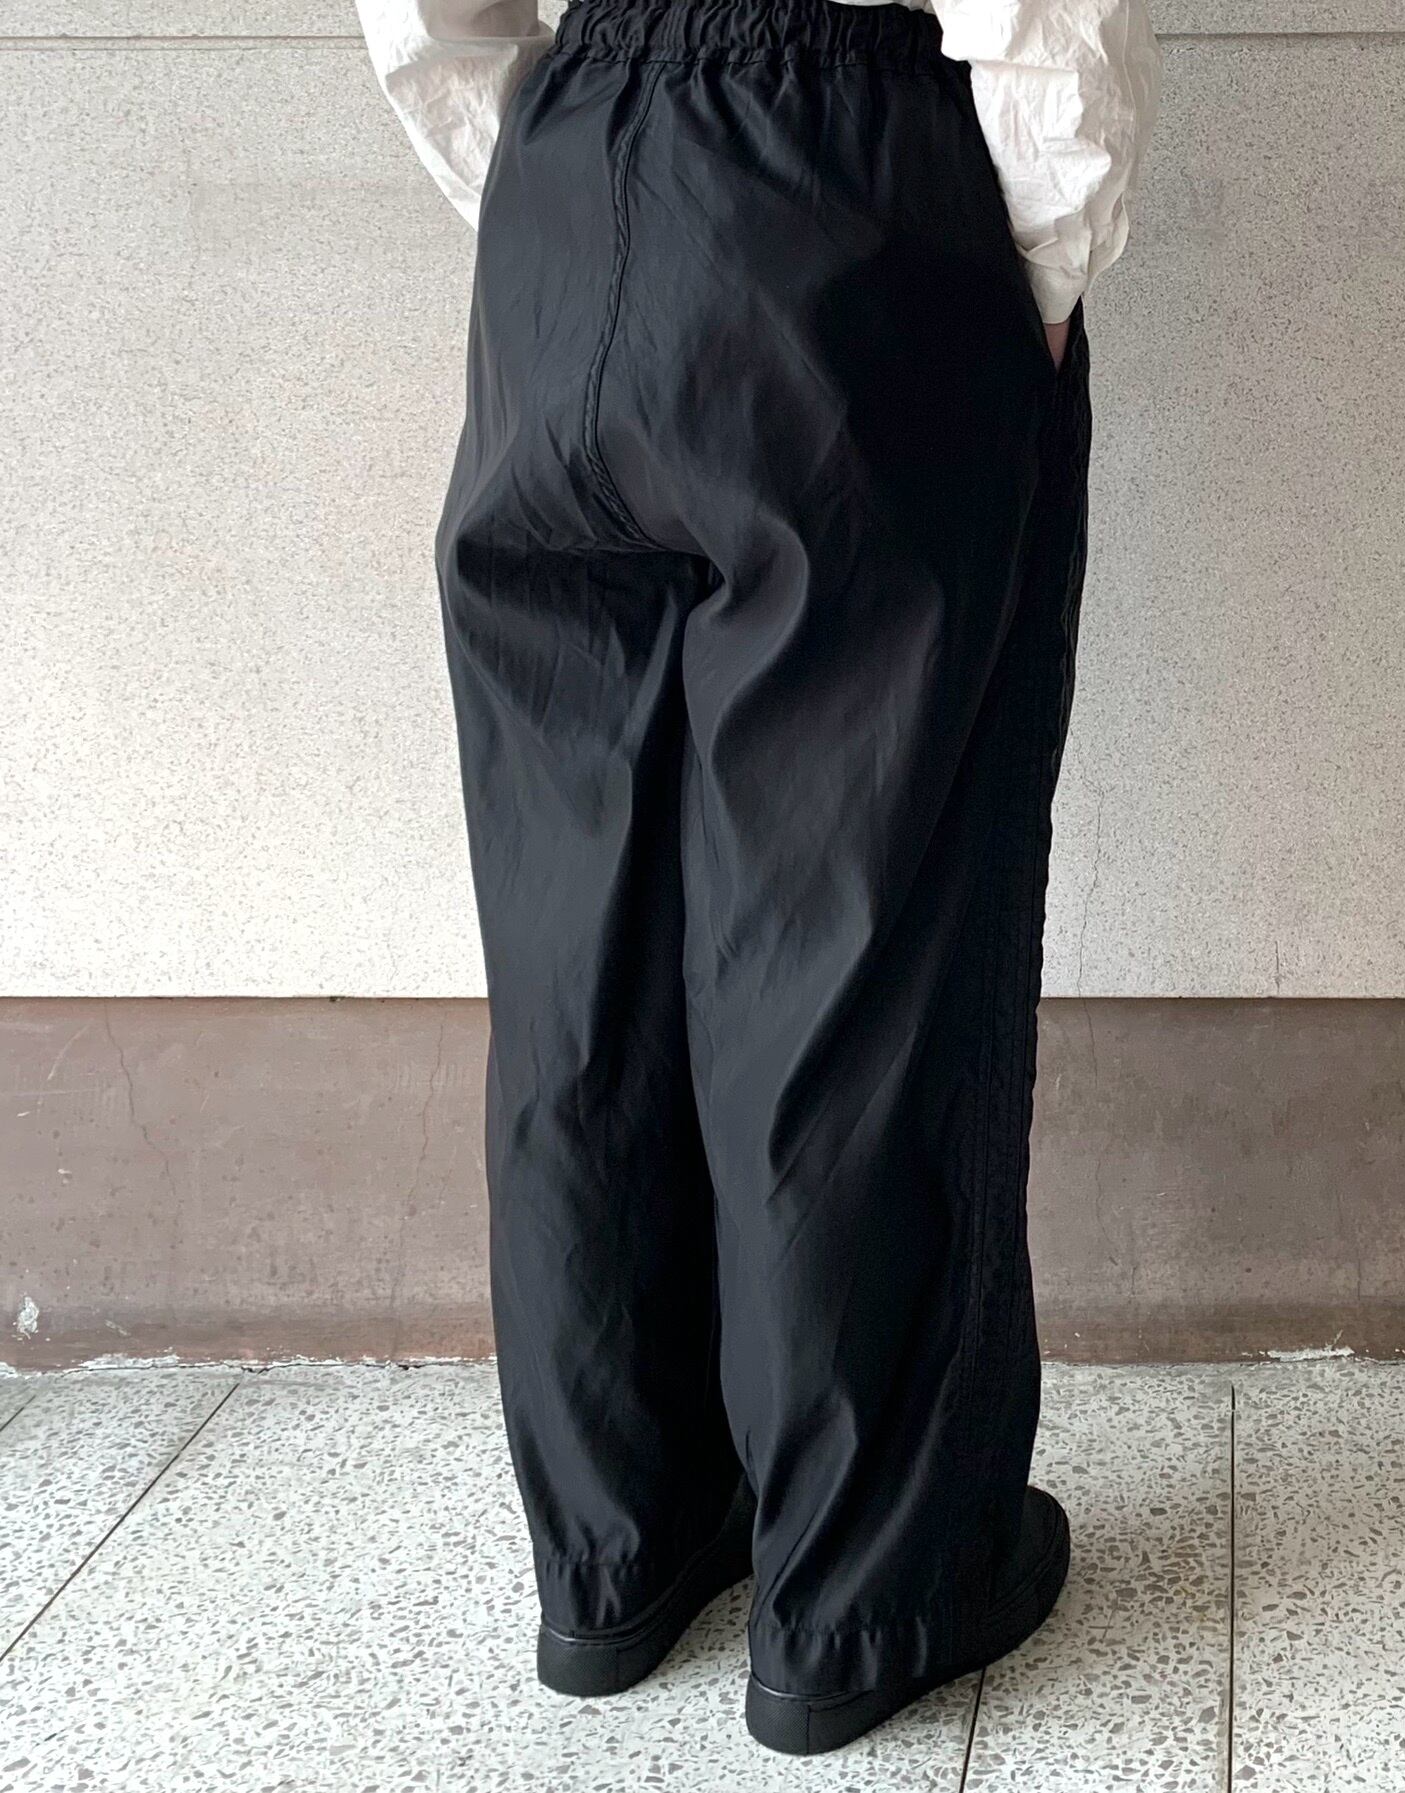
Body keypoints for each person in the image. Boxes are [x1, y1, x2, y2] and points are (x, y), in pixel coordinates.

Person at [354, 0, 1157, 1754]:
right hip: (845, 178)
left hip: (566, 193)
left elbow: (423, 18)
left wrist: (555, 163)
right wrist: (1034, 247)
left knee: (578, 927)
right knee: (856, 917)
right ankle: (869, 1587)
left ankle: (615, 1552)